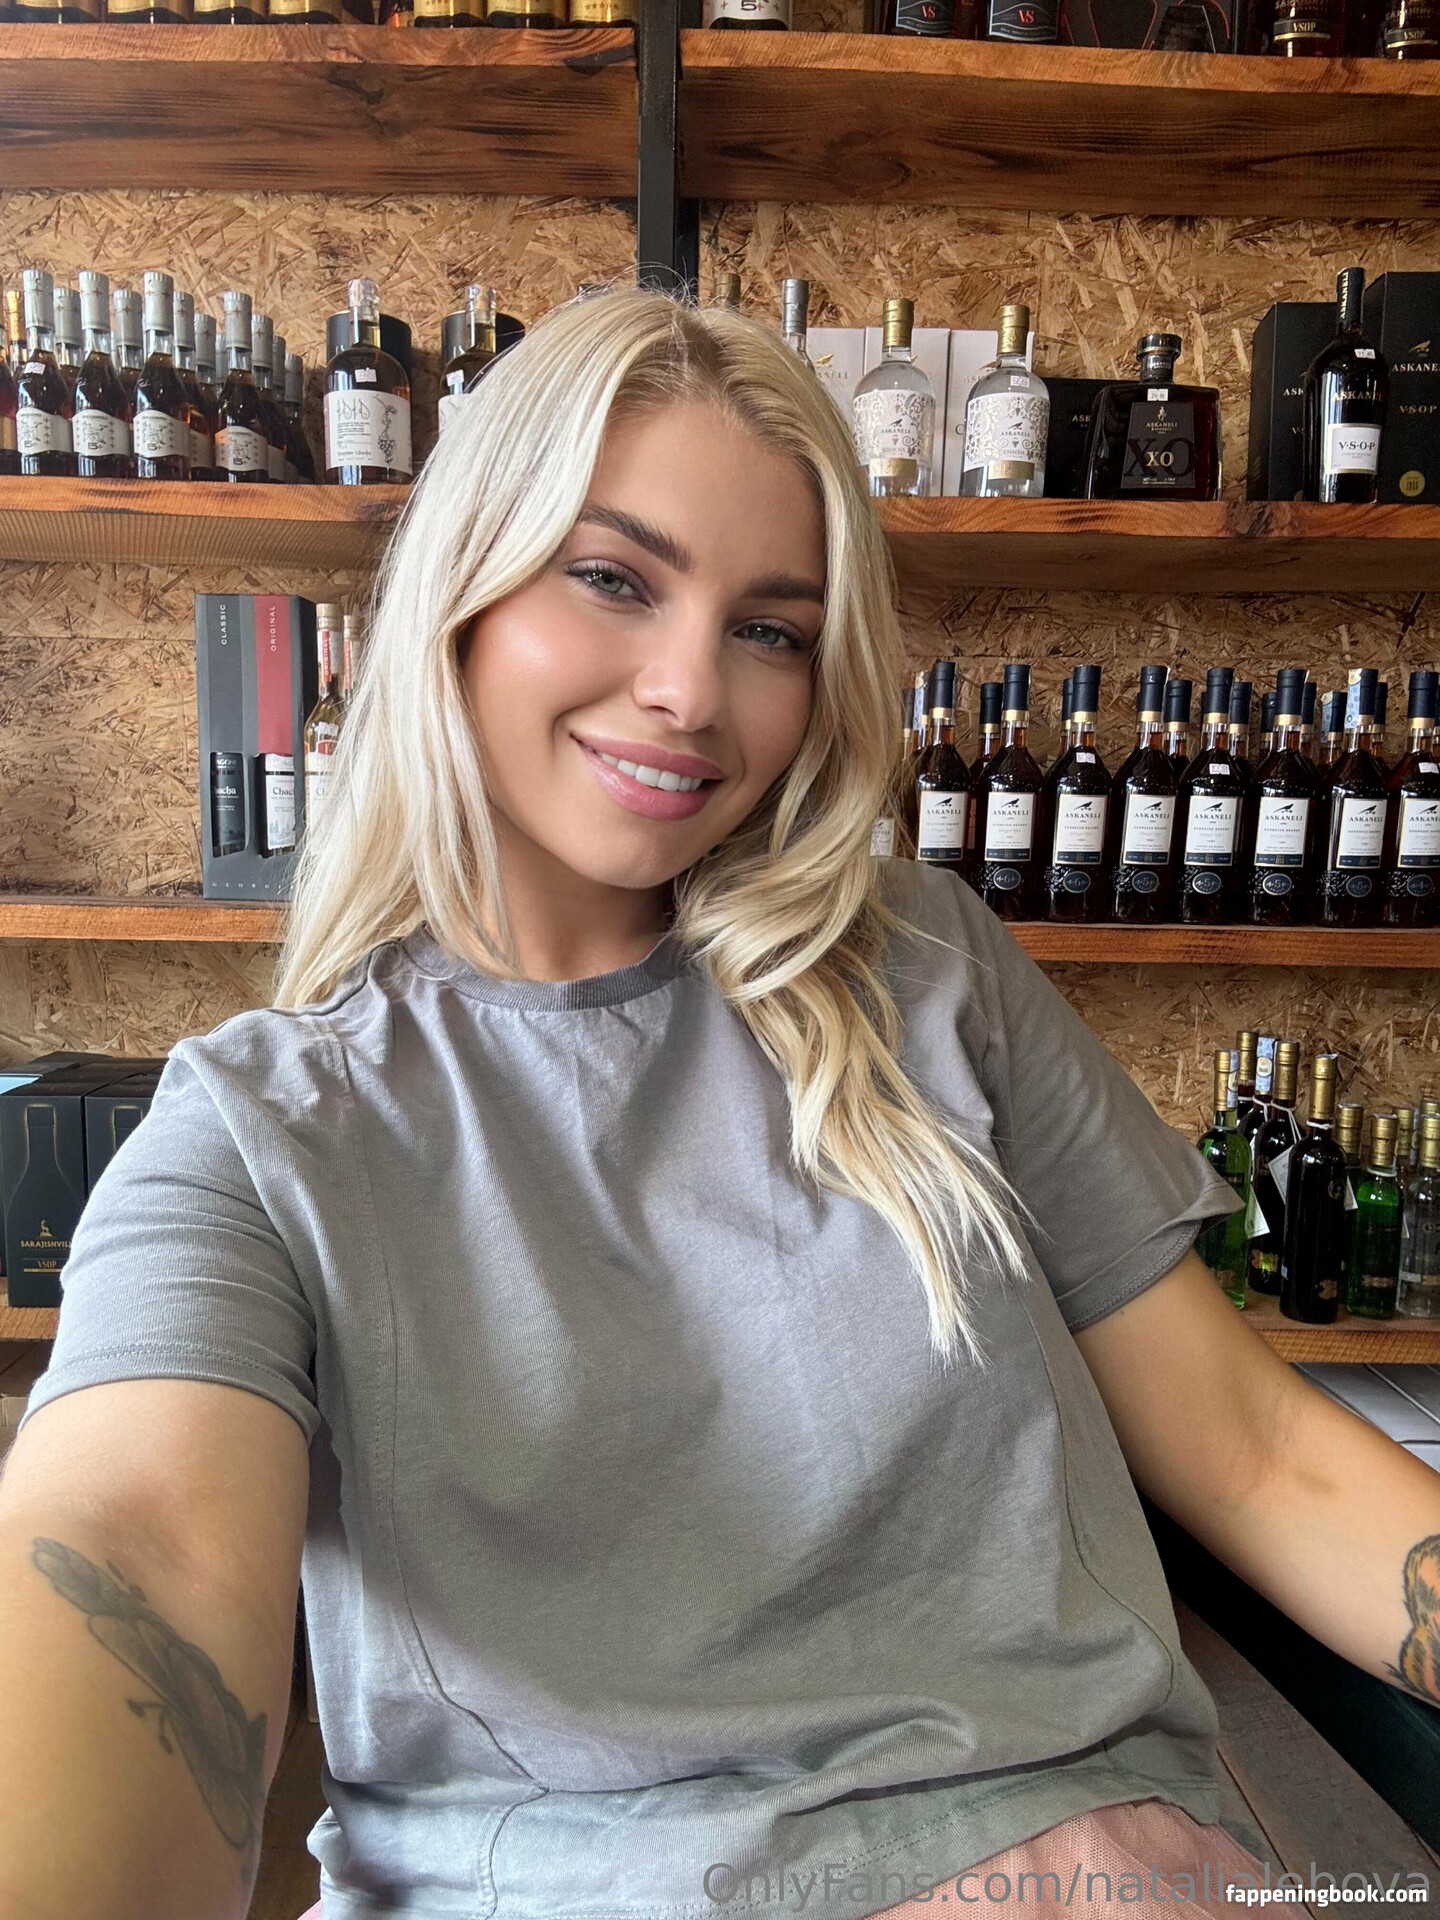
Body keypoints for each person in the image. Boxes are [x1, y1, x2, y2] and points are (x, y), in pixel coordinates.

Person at [0, 288, 1435, 1920]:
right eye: (613, 578)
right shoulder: (267, 1130)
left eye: (771, 630)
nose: (691, 691)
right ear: (463, 585)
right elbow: (135, 1559)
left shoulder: (925, 971)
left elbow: (1259, 1456)